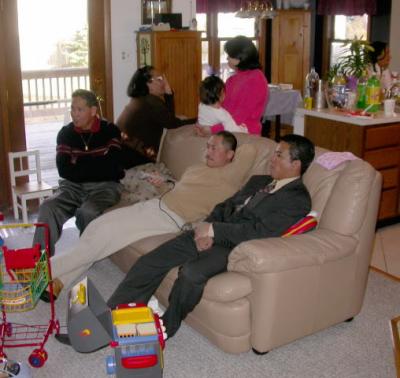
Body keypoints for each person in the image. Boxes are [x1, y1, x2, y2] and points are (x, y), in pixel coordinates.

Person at [106, 134, 315, 339]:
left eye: (279, 155)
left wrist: (215, 230)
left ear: (296, 164)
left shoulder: (297, 199)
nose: (272, 159)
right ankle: (113, 316)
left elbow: (260, 231)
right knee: (150, 261)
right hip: (213, 229)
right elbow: (226, 205)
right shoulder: (259, 180)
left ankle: (166, 327)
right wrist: (207, 225)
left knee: (190, 273)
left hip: (235, 246)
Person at [45, 131, 257, 302]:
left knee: (104, 234)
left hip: (169, 218)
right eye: (207, 146)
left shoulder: (230, 176)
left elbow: (251, 150)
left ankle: (43, 272)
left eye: (214, 147)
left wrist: (217, 131)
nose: (208, 151)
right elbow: (181, 191)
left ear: (230, 155)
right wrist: (163, 184)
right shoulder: (197, 168)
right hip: (155, 205)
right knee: (98, 227)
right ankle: (58, 282)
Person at [33, 89, 124, 257]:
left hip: (104, 188)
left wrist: (79, 163)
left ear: (93, 111)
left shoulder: (110, 130)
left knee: (87, 211)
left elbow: (113, 167)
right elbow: (64, 170)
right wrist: (97, 163)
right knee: (47, 207)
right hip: (72, 187)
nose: (74, 114)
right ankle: (39, 259)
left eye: (80, 109)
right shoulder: (66, 134)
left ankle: (86, 253)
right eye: (72, 108)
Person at [117, 65, 196, 168]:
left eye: (163, 78)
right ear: (148, 83)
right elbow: (173, 123)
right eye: (159, 79)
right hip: (133, 158)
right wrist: (200, 119)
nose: (164, 82)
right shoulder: (150, 102)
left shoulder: (140, 99)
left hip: (123, 154)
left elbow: (168, 119)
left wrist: (168, 94)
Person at [195, 35, 268, 136]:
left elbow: (239, 116)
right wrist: (203, 123)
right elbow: (220, 106)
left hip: (245, 131)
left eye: (230, 55)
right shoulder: (232, 79)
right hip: (226, 127)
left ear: (240, 57)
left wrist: (212, 130)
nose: (227, 58)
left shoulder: (256, 79)